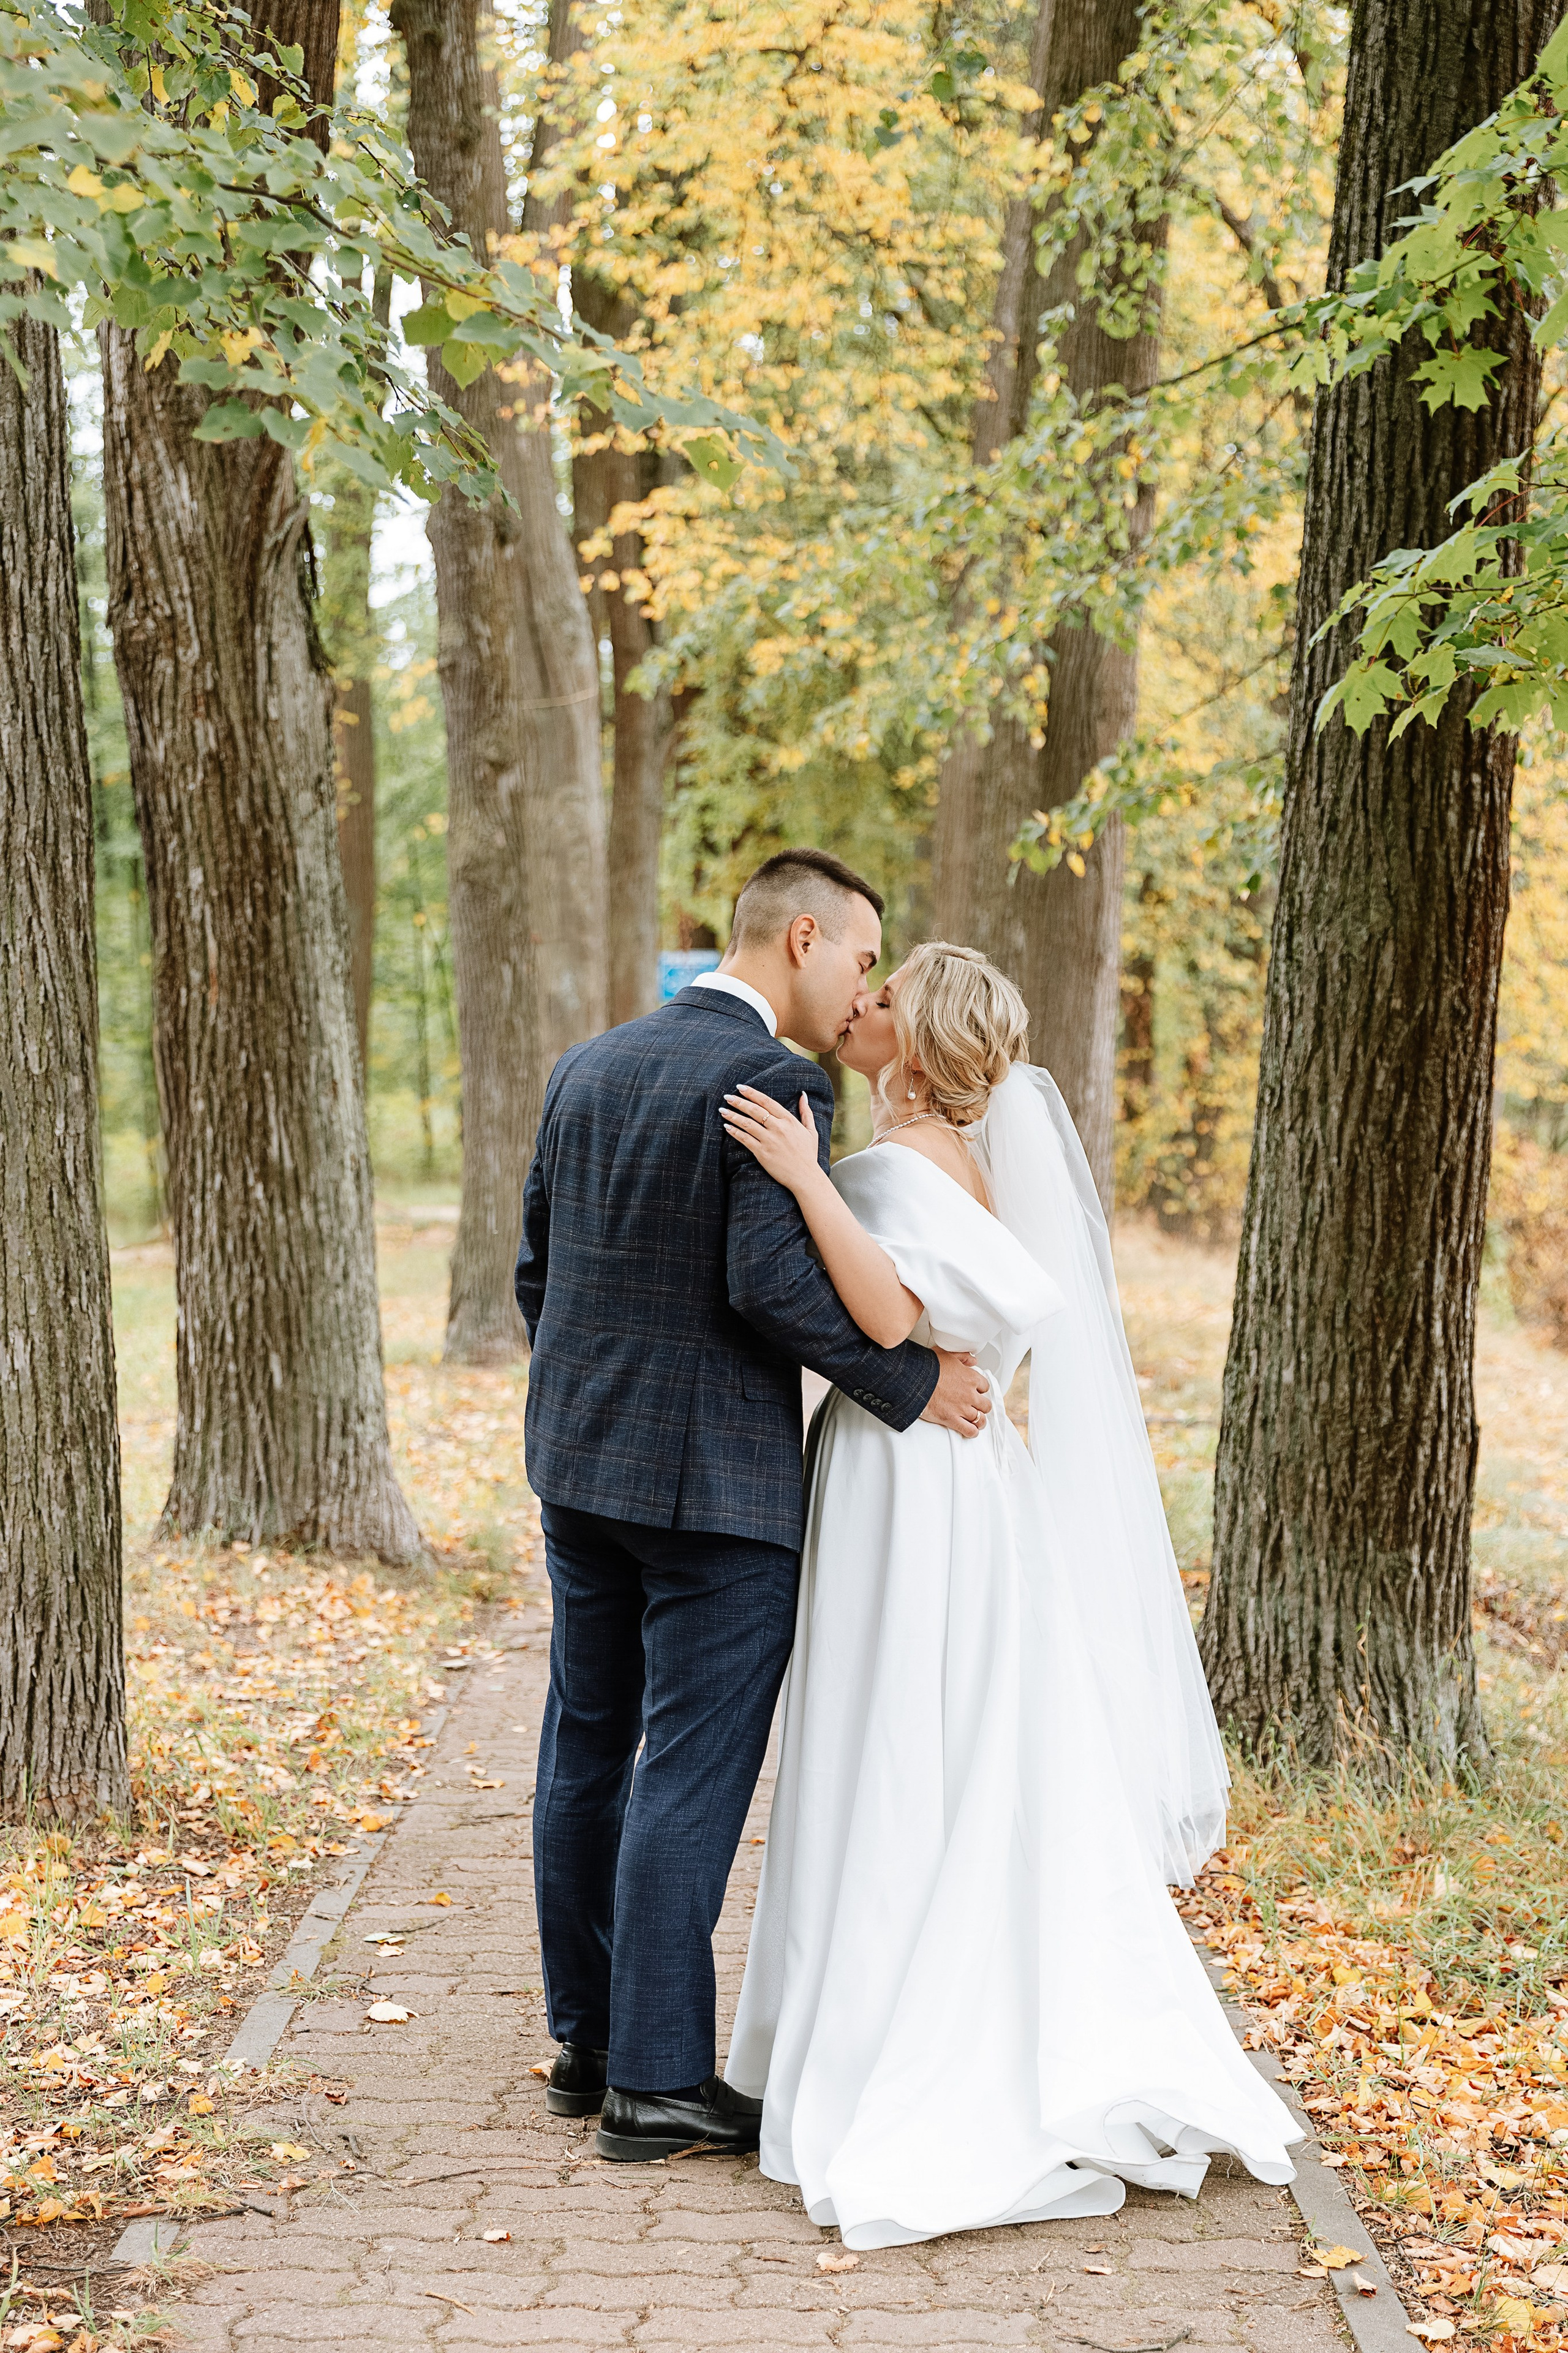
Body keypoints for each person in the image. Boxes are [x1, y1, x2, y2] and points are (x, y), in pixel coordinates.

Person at [720, 940, 1302, 2246]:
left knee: (892, 1729)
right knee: (943, 1726)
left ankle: (883, 2039)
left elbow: (888, 1319)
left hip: (907, 1472)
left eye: (882, 999)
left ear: (919, 1044)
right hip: (954, 1475)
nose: (859, 1004)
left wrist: (804, 1176)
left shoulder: (892, 1166)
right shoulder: (961, 1162)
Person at [514, 853, 995, 2163]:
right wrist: (914, 1384)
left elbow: (537, 1271)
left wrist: (587, 1407)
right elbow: (770, 1287)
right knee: (685, 1766)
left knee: (584, 1748)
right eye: (861, 957)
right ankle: (657, 2083)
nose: (861, 987)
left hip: (578, 1470)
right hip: (714, 1493)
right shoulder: (771, 1081)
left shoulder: (585, 1065)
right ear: (802, 936)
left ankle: (588, 2045)